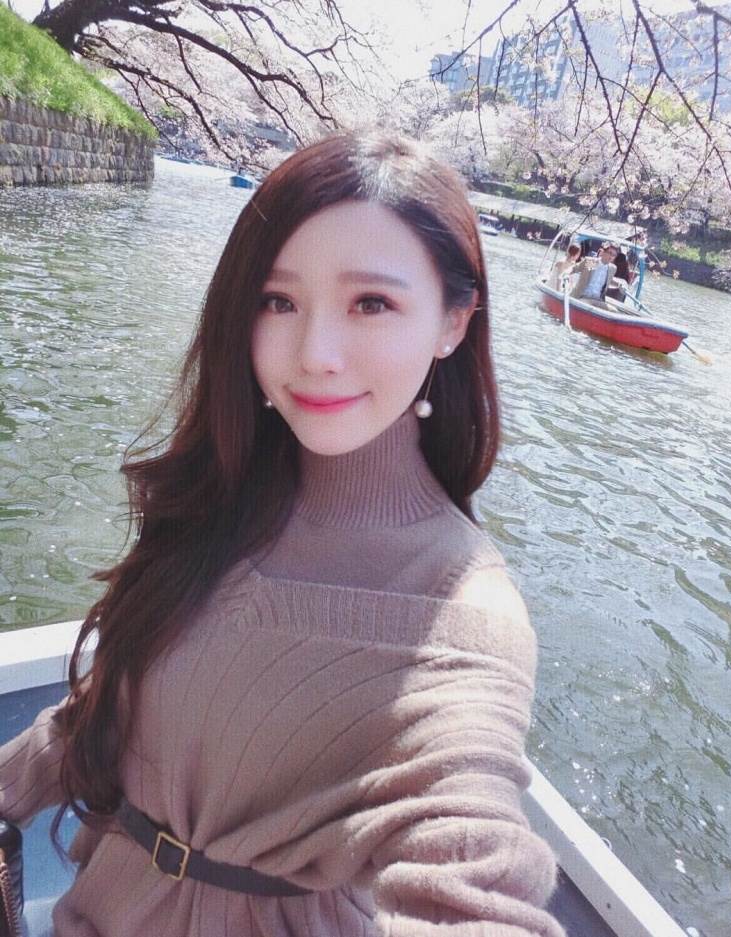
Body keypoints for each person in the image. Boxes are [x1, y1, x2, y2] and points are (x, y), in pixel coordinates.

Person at [0, 133, 564, 937]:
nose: (315, 354)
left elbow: (471, 855)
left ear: (453, 321)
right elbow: (108, 711)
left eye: (372, 303)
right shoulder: (224, 489)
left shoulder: (462, 610)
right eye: (277, 300)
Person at [570, 242, 623, 306]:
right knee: (586, 305)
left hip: (598, 299)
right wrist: (565, 274)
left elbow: (609, 280)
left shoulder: (612, 268)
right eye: (610, 253)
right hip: (583, 297)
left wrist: (619, 285)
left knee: (613, 310)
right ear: (603, 252)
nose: (611, 256)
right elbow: (574, 269)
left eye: (614, 255)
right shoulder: (593, 262)